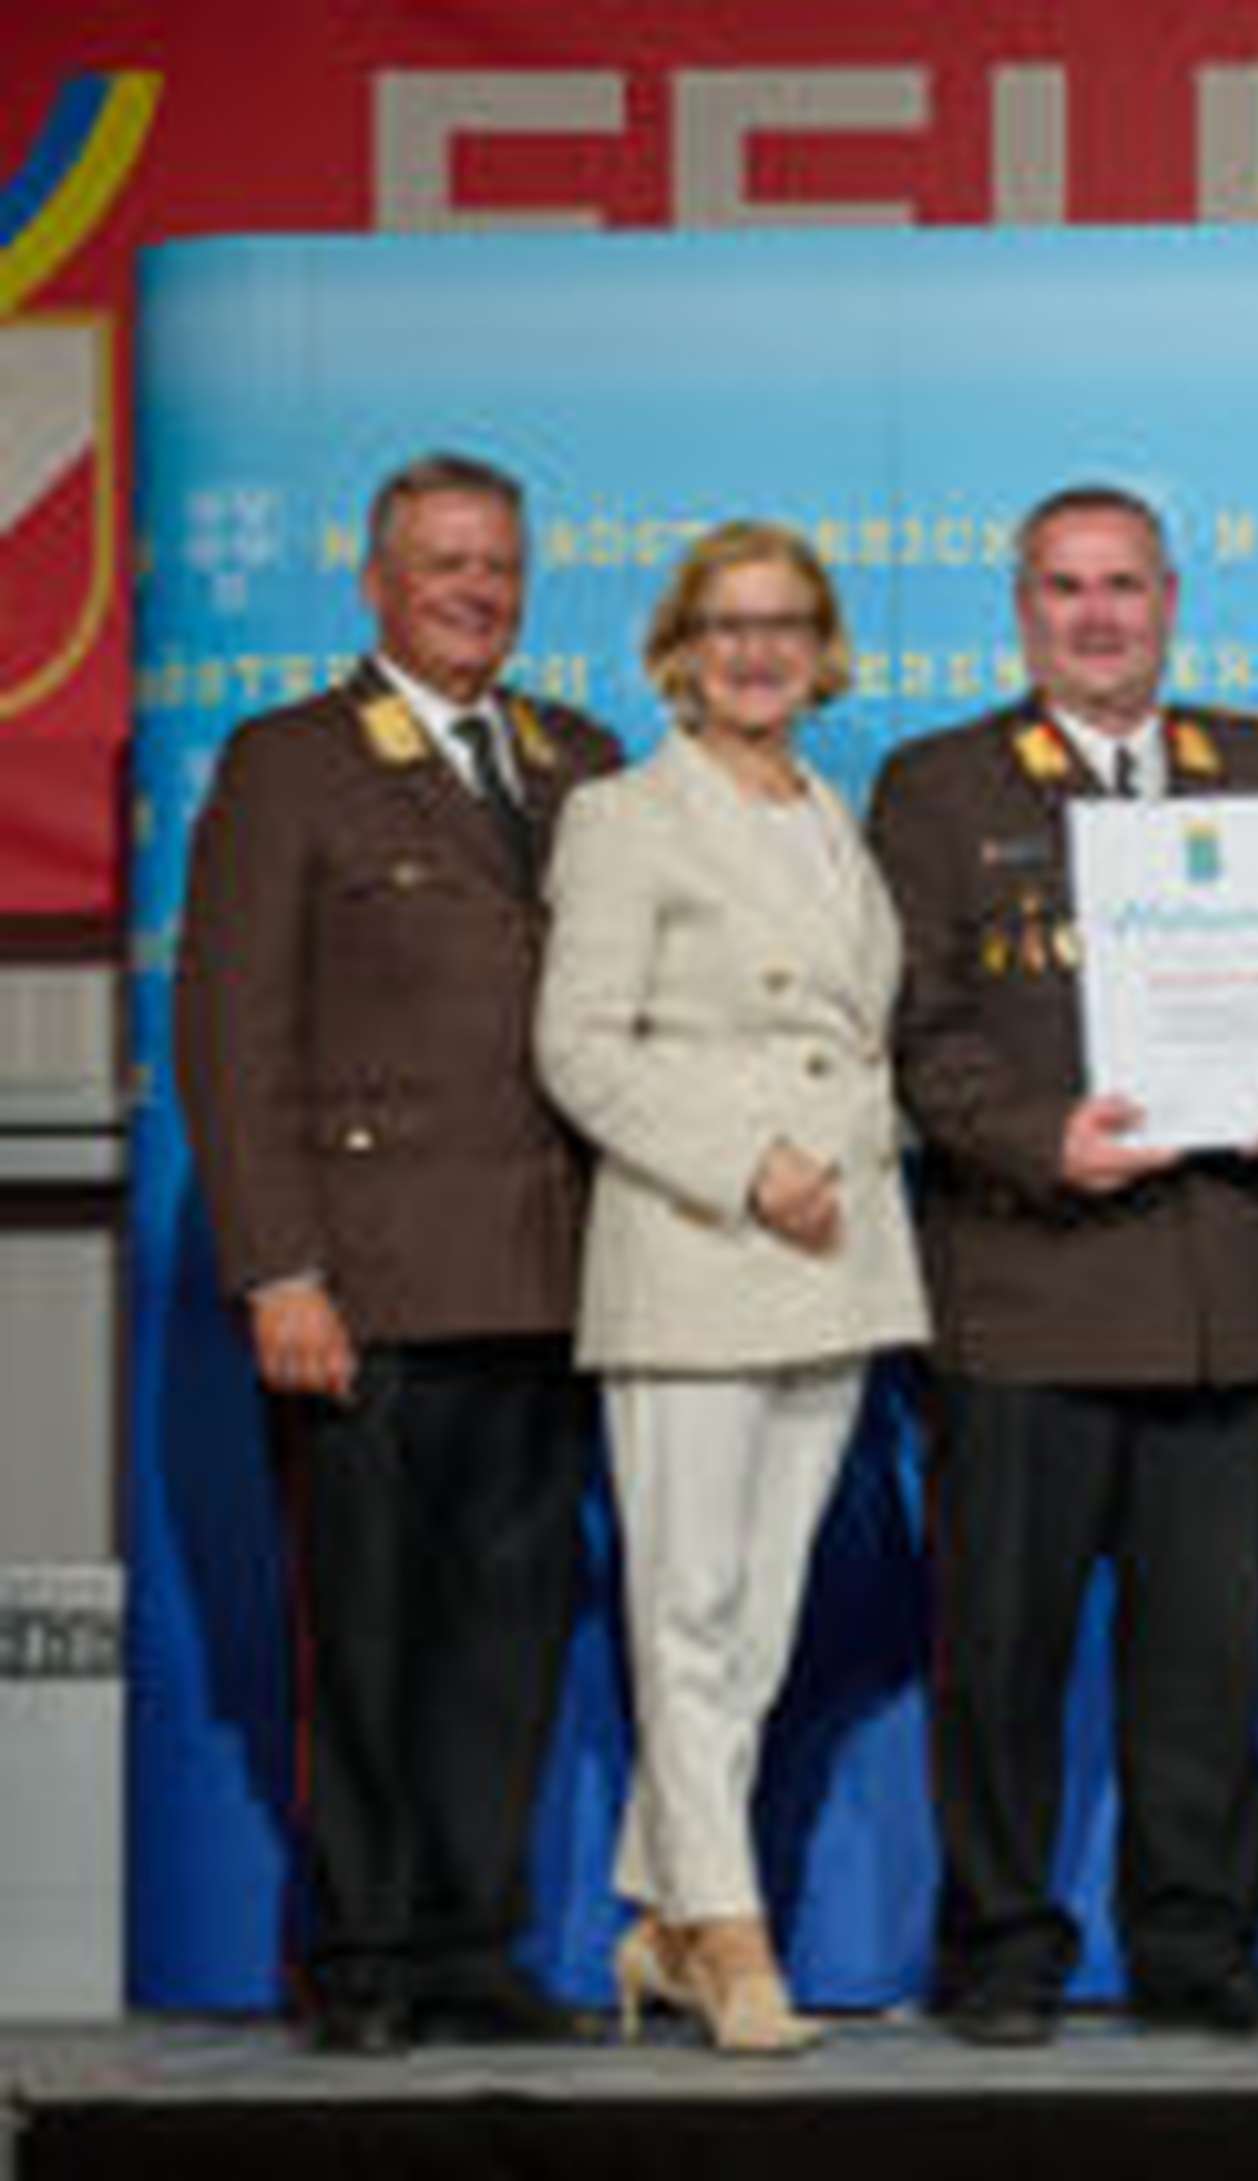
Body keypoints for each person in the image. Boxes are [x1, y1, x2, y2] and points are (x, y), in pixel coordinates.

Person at [870, 484, 1258, 2046]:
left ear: (1170, 600)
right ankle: (1001, 1948)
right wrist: (1032, 1136)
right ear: (1022, 610)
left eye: (1124, 587)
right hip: (1031, 1291)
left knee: (1206, 1669)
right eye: (1065, 589)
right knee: (1002, 1661)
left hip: (1233, 1295)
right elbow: (912, 1035)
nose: (1096, 615)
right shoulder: (936, 789)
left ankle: (1201, 1950)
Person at [172, 452, 622, 2055]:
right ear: (374, 581)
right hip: (364, 1290)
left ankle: (470, 1942)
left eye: (498, 564)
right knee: (365, 1635)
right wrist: (279, 1268)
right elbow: (228, 1039)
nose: (475, 590)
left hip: (552, 1279)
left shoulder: (582, 758)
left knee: (511, 1641)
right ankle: (361, 1959)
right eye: (441, 563)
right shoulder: (292, 762)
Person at [533, 521, 927, 2055]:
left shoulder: (837, 810)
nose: (754, 650)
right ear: (678, 648)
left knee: (757, 1617)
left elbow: (859, 1038)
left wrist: (841, 1154)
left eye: (783, 623)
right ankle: (734, 1931)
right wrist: (744, 1157)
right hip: (702, 1244)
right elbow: (579, 1046)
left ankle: (664, 1912)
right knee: (685, 1606)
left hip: (836, 1247)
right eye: (725, 623)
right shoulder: (626, 815)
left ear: (822, 647)